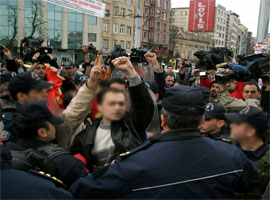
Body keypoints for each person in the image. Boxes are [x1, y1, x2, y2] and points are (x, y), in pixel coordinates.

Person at [70, 85, 258, 199]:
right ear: (201, 121)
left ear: (163, 120)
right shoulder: (231, 154)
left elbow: (80, 191)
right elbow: (249, 182)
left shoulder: (133, 164)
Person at [68, 56, 154, 172]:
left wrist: (131, 72)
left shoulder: (130, 126)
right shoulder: (83, 138)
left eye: (121, 103)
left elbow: (143, 106)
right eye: (111, 103)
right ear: (100, 106)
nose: (117, 107)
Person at [4, 101, 88, 187]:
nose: (55, 126)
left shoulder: (4, 155)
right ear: (42, 132)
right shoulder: (67, 163)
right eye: (52, 123)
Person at [225, 106, 270, 199]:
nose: (231, 125)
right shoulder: (225, 149)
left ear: (250, 132)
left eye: (237, 123)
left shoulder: (267, 159)